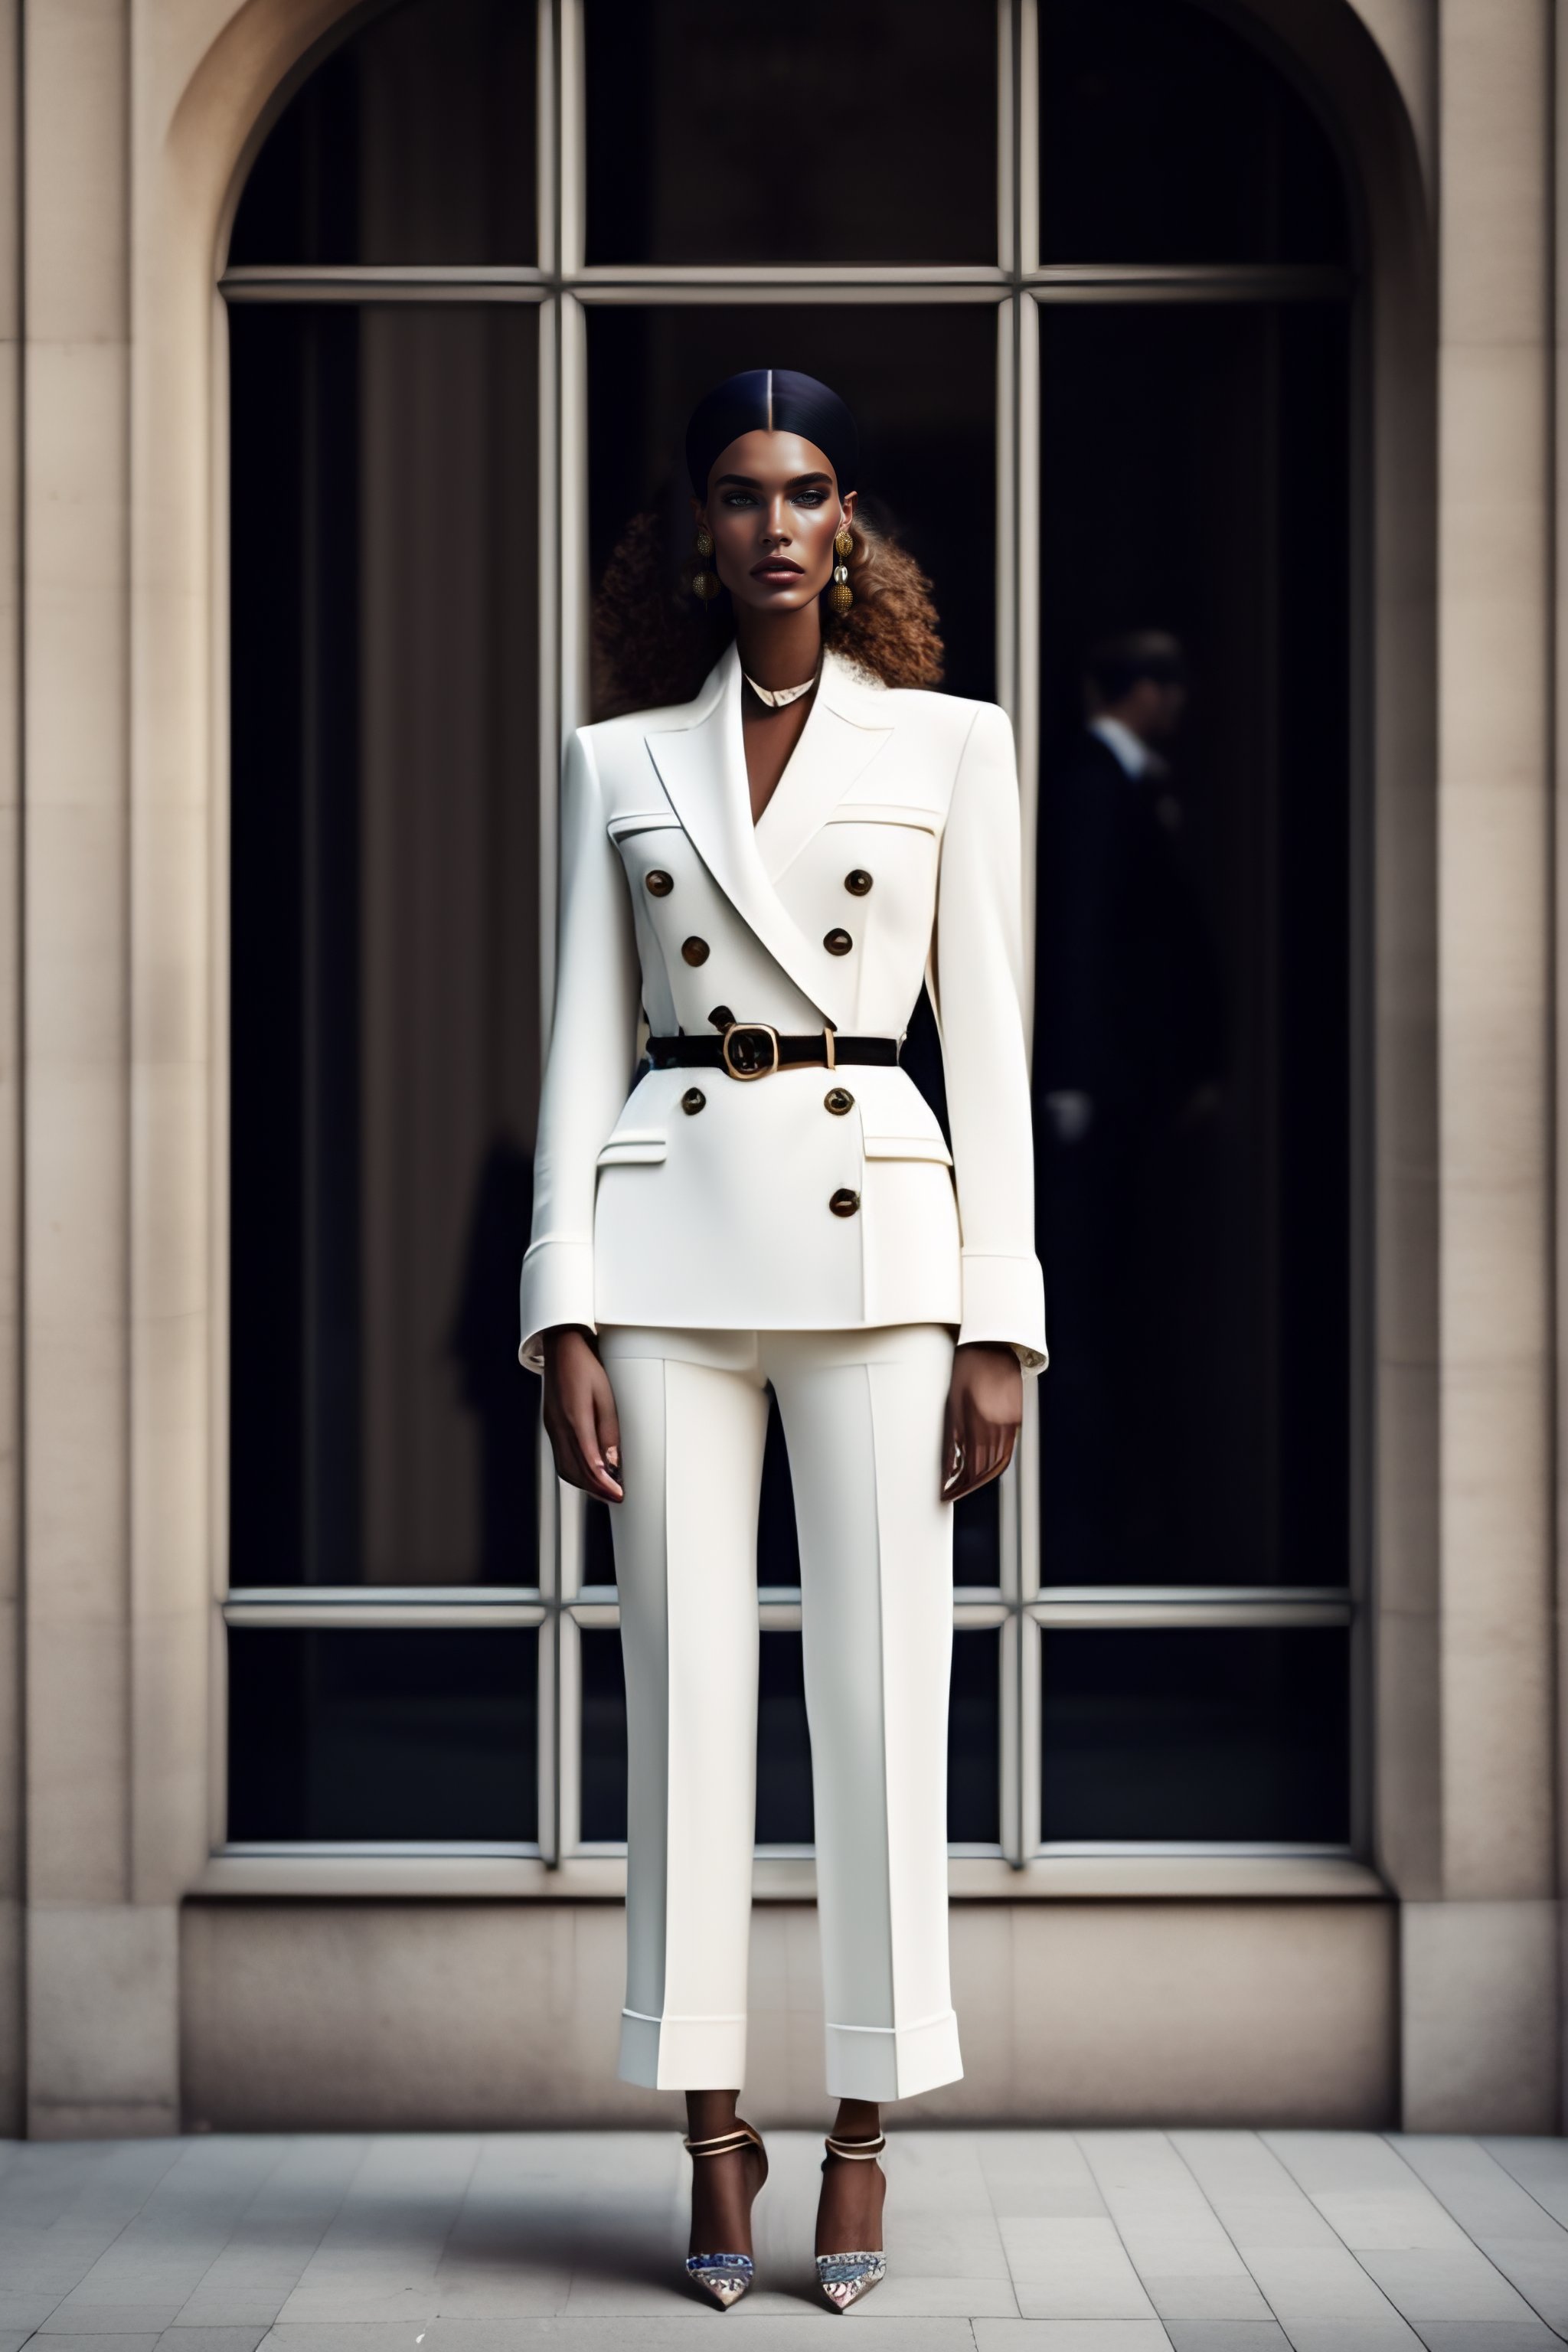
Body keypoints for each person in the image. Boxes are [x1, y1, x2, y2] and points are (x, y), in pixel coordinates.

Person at [520, 369, 1044, 2311]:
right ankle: (709, 2130)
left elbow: (982, 1043)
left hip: (878, 1246)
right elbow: (577, 1034)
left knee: (884, 1700)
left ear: (849, 525)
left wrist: (1003, 1319)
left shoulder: (952, 744)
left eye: (804, 492)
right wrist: (554, 1300)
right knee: (677, 1697)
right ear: (692, 530)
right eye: (737, 494)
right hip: (664, 1243)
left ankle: (860, 2133)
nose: (771, 525)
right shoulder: (612, 761)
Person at [1034, 630, 1224, 1578]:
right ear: (1132, 691)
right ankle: (1081, 1517)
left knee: (1119, 1291)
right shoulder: (1089, 785)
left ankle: (1107, 1507)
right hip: (1098, 1090)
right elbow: (1077, 935)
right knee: (1086, 1292)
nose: (1176, 702)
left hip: (1128, 1088)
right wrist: (1068, 1077)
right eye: (1164, 683)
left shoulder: (1132, 784)